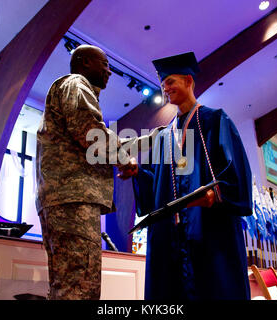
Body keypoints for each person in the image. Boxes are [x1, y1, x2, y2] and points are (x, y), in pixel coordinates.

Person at [129, 52, 253, 300]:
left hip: (209, 231)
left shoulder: (214, 120)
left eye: (171, 81)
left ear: (188, 80)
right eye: (164, 84)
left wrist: (214, 194)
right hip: (173, 238)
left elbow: (236, 171)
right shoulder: (166, 135)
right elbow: (158, 185)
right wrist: (137, 172)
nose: (166, 88)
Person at [36, 45, 137, 300]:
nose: (109, 71)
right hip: (74, 199)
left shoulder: (68, 89)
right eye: (104, 64)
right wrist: (123, 158)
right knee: (80, 287)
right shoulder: (76, 83)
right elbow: (91, 133)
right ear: (83, 63)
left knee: (66, 285)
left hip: (62, 198)